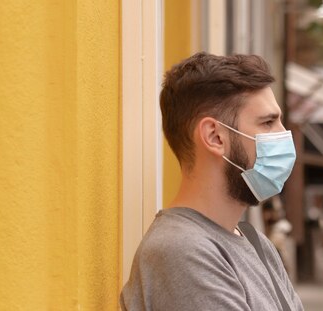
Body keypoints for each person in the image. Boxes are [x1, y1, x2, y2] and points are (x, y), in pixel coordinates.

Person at [120, 52, 304, 311]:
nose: (283, 135)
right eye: (268, 122)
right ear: (215, 137)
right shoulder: (181, 251)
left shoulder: (254, 242)